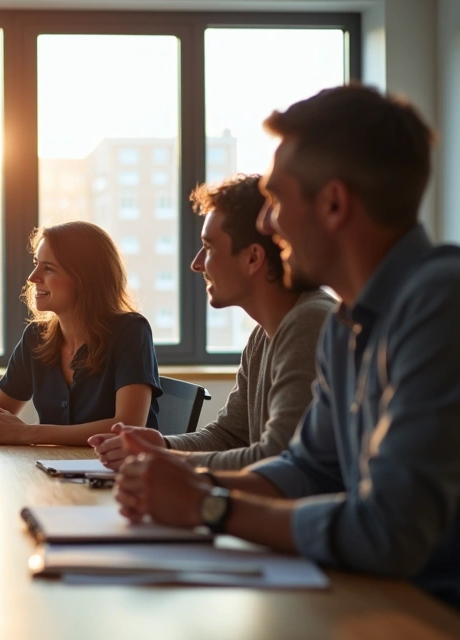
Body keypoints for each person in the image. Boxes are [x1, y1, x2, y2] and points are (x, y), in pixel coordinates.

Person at [113, 85, 460, 635]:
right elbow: (307, 468)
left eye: (278, 200)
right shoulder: (349, 322)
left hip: (459, 620)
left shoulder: (447, 304)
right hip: (374, 599)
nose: (267, 223)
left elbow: (388, 531)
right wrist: (182, 482)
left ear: (333, 203)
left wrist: (208, 506)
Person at [91, 174, 333, 470]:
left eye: (209, 246)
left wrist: (166, 460)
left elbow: (276, 459)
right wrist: (162, 444)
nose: (196, 263)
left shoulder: (310, 322)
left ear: (253, 258)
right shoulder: (263, 335)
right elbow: (230, 435)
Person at [0, 221, 161, 447]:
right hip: (54, 474)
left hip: (119, 475)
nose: (33, 277)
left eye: (49, 268)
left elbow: (129, 426)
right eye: (36, 264)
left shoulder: (130, 331)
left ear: (85, 279)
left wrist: (28, 433)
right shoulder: (35, 337)